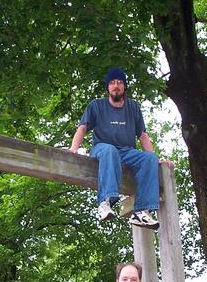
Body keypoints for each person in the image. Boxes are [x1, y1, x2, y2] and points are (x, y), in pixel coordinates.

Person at [69, 67, 168, 230]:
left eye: (120, 83)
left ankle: (141, 211)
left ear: (124, 86)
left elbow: (142, 135)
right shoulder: (96, 105)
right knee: (110, 150)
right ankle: (105, 202)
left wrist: (154, 159)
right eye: (112, 83)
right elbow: (82, 127)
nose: (116, 86)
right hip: (102, 149)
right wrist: (74, 148)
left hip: (127, 152)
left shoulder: (133, 107)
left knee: (150, 158)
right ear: (108, 87)